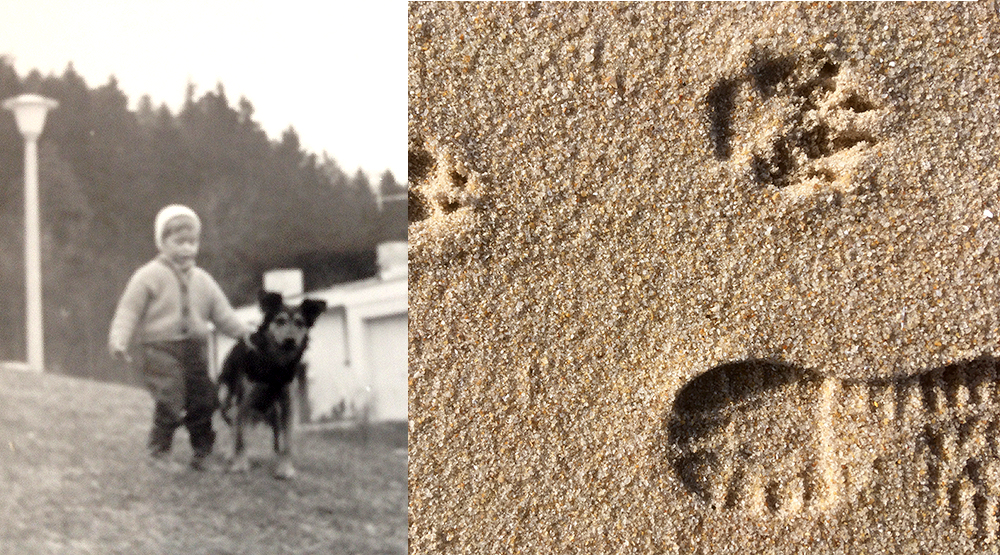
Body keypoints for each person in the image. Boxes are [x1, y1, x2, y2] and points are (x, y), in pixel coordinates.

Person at [108, 204, 253, 471]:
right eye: (179, 242)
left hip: (195, 349)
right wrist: (119, 340)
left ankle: (202, 453)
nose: (187, 248)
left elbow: (223, 314)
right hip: (159, 349)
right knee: (170, 398)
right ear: (162, 243)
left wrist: (245, 334)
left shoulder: (204, 281)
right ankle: (158, 452)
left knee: (203, 399)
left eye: (193, 242)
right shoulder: (147, 276)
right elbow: (128, 311)